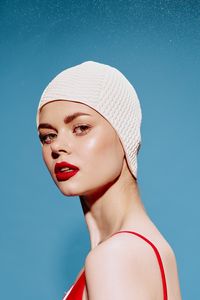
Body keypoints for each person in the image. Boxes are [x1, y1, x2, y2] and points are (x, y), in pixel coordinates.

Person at [36, 61, 182, 300]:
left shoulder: (114, 257)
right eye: (48, 136)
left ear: (124, 133)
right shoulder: (150, 247)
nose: (58, 147)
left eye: (81, 128)